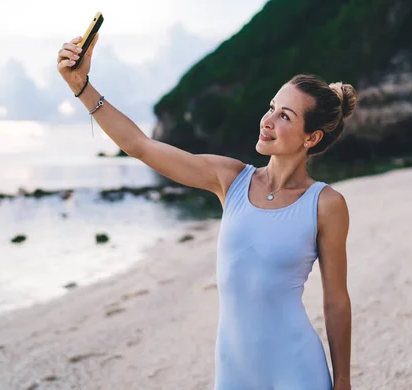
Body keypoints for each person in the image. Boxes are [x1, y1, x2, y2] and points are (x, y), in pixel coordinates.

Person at [57, 33, 354, 390]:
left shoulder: (325, 205)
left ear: (312, 138)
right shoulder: (230, 180)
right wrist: (82, 87)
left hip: (297, 370)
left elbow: (336, 300)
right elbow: (140, 146)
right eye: (271, 106)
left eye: (285, 115)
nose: (268, 120)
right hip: (233, 371)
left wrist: (343, 382)